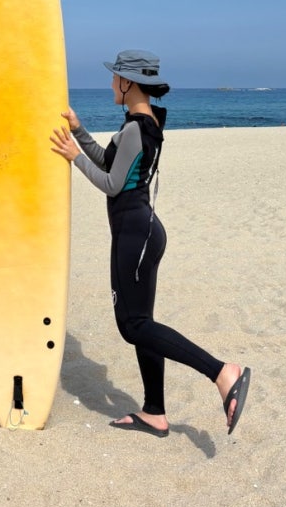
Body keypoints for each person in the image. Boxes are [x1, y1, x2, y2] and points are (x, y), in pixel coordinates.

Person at [50, 49, 250, 437]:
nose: (111, 83)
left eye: (115, 77)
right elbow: (111, 163)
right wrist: (79, 131)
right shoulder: (146, 122)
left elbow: (110, 183)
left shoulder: (134, 129)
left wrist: (74, 157)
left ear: (128, 82)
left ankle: (222, 372)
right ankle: (154, 412)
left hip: (134, 235)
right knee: (143, 323)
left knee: (133, 326)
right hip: (142, 232)